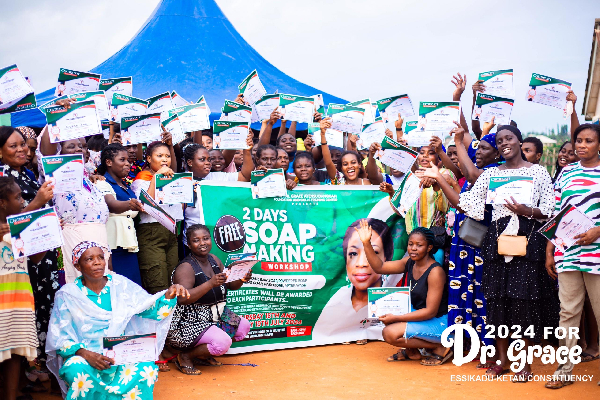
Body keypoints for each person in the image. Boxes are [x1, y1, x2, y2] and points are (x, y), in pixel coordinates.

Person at [454, 124, 558, 381]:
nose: (504, 143)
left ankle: (523, 364)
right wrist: (441, 179)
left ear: (519, 141)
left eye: (508, 138)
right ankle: (501, 359)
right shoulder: (491, 175)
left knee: (523, 304)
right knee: (497, 301)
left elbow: (550, 210)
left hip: (529, 240)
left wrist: (527, 211)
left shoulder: (539, 173)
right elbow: (468, 204)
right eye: (499, 141)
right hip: (497, 242)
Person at [46, 241, 189, 399]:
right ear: (78, 266)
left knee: (145, 368)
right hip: (85, 355)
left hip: (120, 353)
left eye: (101, 257)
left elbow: (150, 310)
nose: (97, 262)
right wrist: (85, 354)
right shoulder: (68, 294)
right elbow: (59, 337)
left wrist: (169, 295)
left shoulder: (120, 285)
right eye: (89, 259)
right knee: (75, 369)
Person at [424, 123, 502, 366]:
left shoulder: (494, 174)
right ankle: (464, 344)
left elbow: (462, 195)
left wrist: (458, 143)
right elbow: (459, 169)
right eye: (476, 148)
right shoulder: (476, 172)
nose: (477, 152)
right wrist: (444, 152)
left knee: (481, 295)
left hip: (481, 245)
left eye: (484, 148)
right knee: (462, 293)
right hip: (463, 244)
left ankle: (486, 348)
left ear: (498, 154)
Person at [545, 124, 600, 389]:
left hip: (597, 253)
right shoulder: (566, 172)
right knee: (568, 312)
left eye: (588, 141)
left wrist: (597, 231)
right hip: (567, 251)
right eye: (579, 140)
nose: (581, 145)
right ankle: (564, 369)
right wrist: (550, 250)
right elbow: (556, 211)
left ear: (599, 145)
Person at [355, 222, 451, 365]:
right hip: (422, 315)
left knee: (390, 333)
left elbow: (430, 312)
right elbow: (380, 267)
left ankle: (441, 346)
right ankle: (413, 351)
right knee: (384, 311)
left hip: (440, 323)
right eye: (410, 244)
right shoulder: (410, 262)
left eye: (419, 245)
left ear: (429, 248)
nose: (413, 248)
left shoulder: (435, 272)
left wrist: (397, 317)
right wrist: (366, 243)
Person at [0, 126, 56, 366]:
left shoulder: (28, 174)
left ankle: (34, 372)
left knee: (42, 311)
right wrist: (38, 201)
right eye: (14, 146)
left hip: (40, 251)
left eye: (23, 143)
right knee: (25, 318)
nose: (22, 149)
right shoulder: (3, 177)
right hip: (18, 262)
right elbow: (11, 222)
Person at [167, 224, 251, 374]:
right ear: (188, 244)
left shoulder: (213, 259)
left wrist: (242, 278)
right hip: (187, 323)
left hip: (214, 316)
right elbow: (182, 300)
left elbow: (231, 285)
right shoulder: (186, 267)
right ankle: (185, 356)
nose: (202, 243)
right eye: (196, 240)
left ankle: (202, 354)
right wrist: (210, 284)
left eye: (205, 238)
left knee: (243, 327)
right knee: (222, 342)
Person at [312, 218, 399, 344]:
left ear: (387, 256)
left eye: (373, 252)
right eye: (353, 253)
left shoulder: (395, 298)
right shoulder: (335, 300)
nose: (361, 264)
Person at [0, 176, 48, 400]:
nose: (21, 201)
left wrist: (46, 235)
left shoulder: (21, 227)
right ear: (2, 202)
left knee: (15, 352)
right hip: (2, 298)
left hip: (19, 297)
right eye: (17, 197)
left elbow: (36, 258)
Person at [131, 137, 182, 294]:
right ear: (148, 158)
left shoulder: (173, 177)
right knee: (157, 283)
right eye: (159, 156)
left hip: (170, 233)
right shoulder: (142, 178)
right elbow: (145, 207)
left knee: (174, 280)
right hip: (151, 233)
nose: (164, 160)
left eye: (167, 156)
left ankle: (173, 317)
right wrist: (156, 178)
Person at [95, 144, 145, 285]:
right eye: (122, 160)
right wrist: (130, 204)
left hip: (129, 244)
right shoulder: (102, 183)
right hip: (114, 247)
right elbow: (111, 204)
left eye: (128, 160)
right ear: (109, 162)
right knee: (119, 288)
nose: (127, 163)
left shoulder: (125, 185)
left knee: (132, 288)